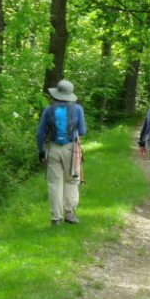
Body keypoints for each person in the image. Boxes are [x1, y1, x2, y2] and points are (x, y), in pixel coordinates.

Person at [37, 79, 87, 225]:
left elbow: (40, 134)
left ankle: (55, 218)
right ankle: (69, 214)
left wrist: (41, 151)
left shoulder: (48, 109)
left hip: (52, 149)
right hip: (71, 149)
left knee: (54, 183)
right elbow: (82, 131)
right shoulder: (77, 109)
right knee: (71, 180)